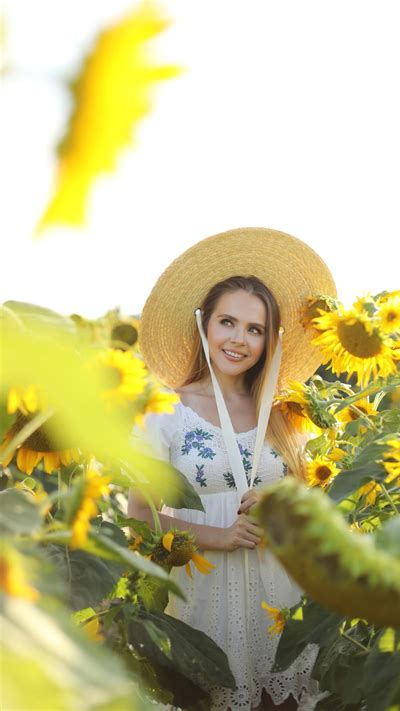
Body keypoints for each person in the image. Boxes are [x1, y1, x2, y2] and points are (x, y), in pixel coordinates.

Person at [128, 227, 337, 710]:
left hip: (281, 591)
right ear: (204, 325)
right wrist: (217, 536)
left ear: (270, 340)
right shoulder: (165, 412)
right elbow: (139, 515)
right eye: (228, 322)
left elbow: (317, 505)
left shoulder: (285, 415)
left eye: (255, 329)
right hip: (203, 596)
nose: (238, 339)